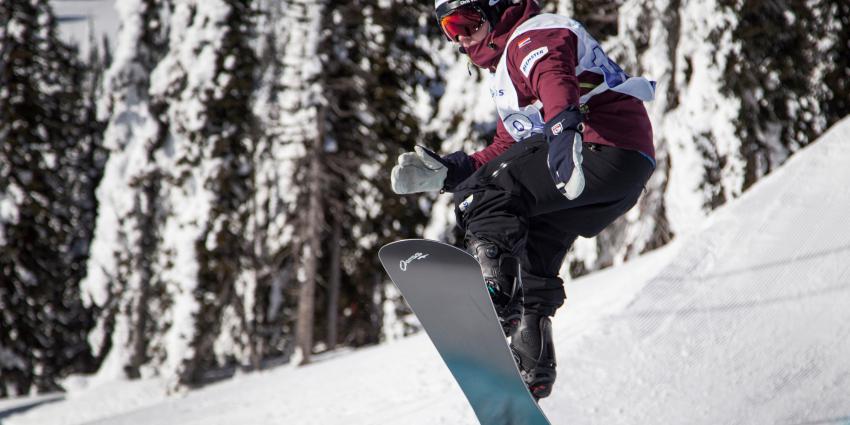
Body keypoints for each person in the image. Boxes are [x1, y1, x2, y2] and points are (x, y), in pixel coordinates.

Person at [390, 0, 656, 399]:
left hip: (595, 149)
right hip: (618, 169)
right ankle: (532, 357)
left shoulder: (531, 35)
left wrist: (564, 131)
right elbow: (507, 146)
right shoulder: (507, 69)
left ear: (497, 9)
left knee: (485, 197)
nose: (461, 37)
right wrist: (452, 171)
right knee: (531, 239)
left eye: (466, 20)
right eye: (449, 28)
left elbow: (552, 75)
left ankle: (493, 295)